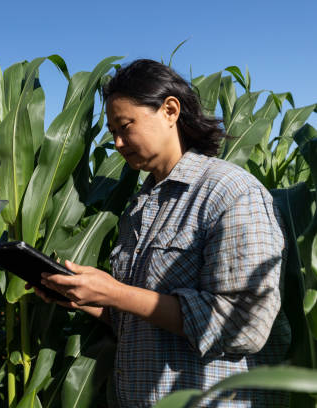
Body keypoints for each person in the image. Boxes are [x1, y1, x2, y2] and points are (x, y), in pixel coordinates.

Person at [32, 59, 290, 407]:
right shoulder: (140, 206)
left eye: (126, 126)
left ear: (170, 110)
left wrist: (116, 293)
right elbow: (141, 320)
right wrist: (87, 297)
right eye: (112, 133)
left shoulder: (229, 193)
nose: (118, 143)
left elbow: (245, 323)